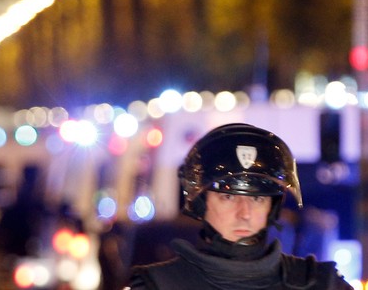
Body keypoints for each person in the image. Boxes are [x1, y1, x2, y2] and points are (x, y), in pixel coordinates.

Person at [125, 123, 351, 289]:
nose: (245, 214)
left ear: (272, 208)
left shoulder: (321, 283)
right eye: (228, 198)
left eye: (257, 199)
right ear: (202, 203)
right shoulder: (156, 285)